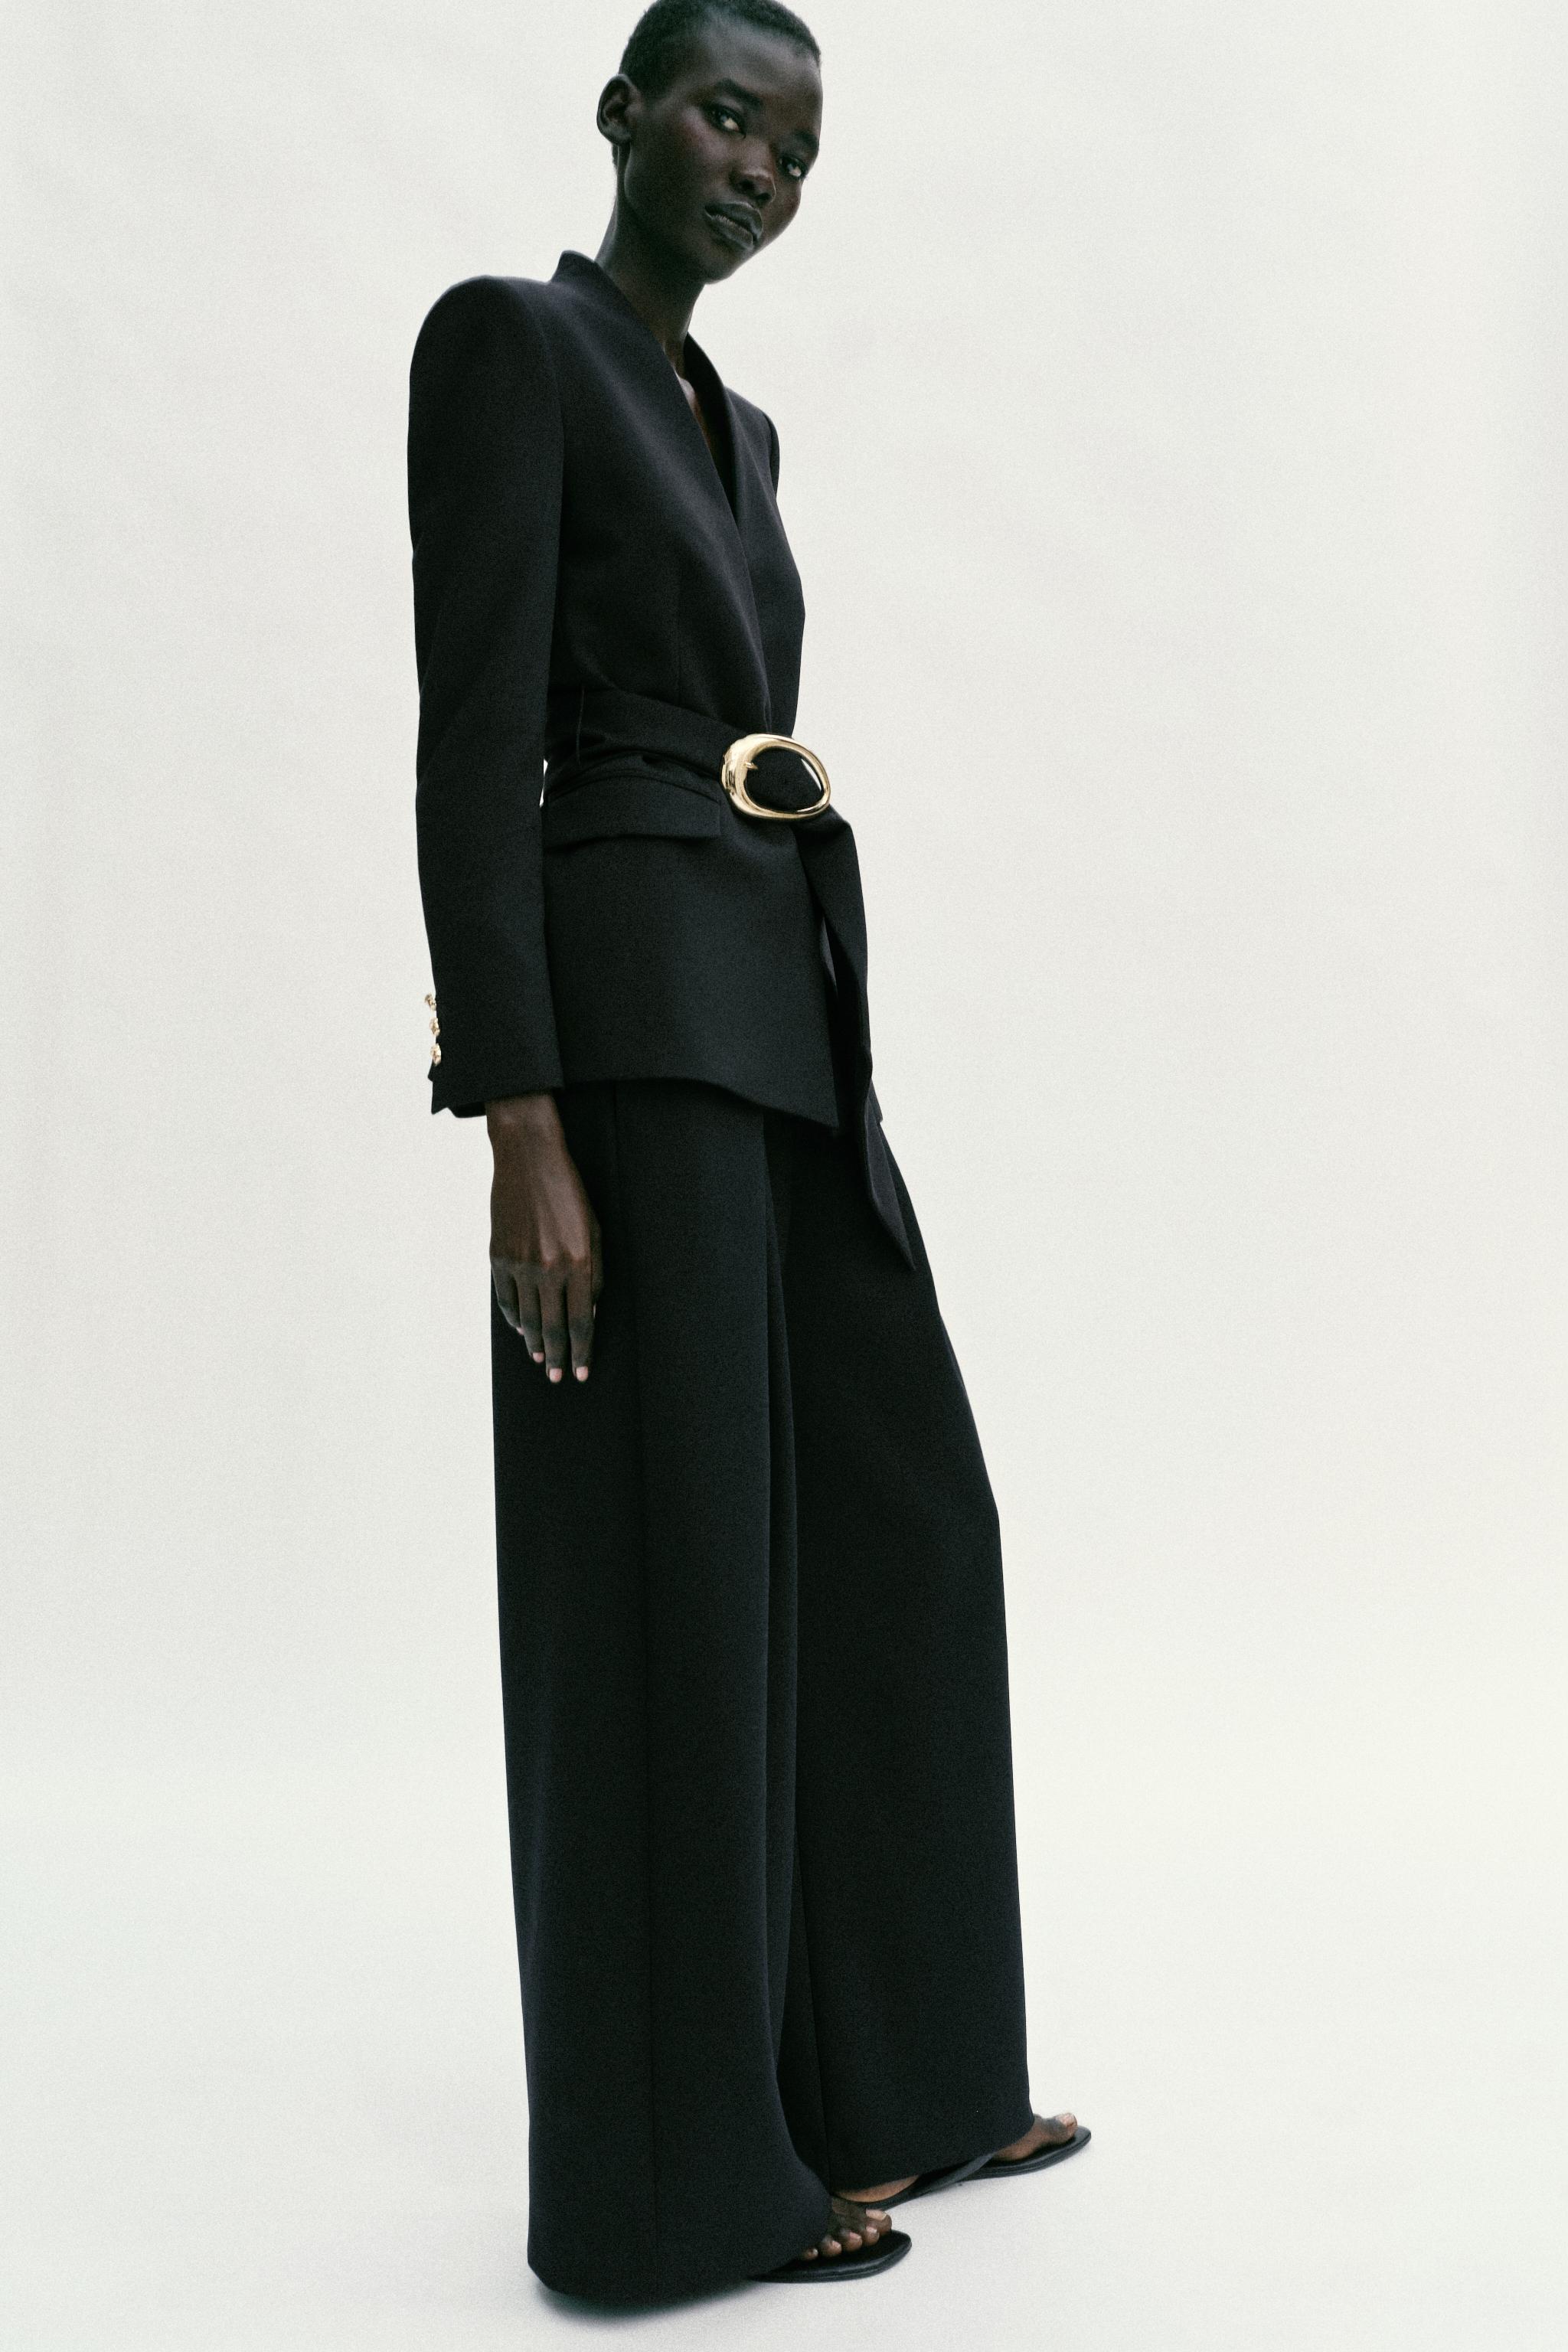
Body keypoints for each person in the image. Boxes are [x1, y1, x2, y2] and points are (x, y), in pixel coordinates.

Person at [407, 0, 1086, 2303]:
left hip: (785, 1012)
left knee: (900, 1530)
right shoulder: (512, 347)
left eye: (798, 153)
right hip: (627, 1038)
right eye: (726, 118)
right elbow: (474, 744)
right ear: (621, 114)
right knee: (671, 1580)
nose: (761, 174)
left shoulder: (740, 423)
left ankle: (903, 2076)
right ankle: (676, 2191)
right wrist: (518, 1117)